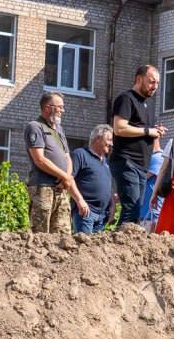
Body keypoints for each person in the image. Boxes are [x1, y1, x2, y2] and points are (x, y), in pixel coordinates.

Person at [110, 65, 166, 224]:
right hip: (126, 160)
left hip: (142, 165)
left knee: (136, 207)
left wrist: (156, 131)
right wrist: (148, 132)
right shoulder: (126, 99)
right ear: (139, 79)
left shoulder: (149, 105)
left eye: (157, 83)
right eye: (151, 82)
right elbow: (119, 128)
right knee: (131, 208)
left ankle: (124, 242)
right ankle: (120, 243)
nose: (154, 86)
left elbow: (143, 129)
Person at [25, 92, 87, 234]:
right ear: (48, 107)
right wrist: (64, 177)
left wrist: (67, 178)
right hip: (42, 188)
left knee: (63, 233)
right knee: (41, 233)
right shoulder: (35, 126)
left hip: (61, 188)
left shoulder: (59, 129)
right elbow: (39, 159)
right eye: (59, 107)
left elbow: (67, 157)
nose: (62, 110)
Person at [70, 124, 115, 234]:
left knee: (95, 250)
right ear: (98, 138)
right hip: (86, 213)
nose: (111, 144)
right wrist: (80, 201)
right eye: (109, 139)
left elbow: (109, 186)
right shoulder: (80, 154)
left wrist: (112, 206)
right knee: (83, 247)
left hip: (102, 216)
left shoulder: (105, 161)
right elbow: (69, 179)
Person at [139, 148, 166, 232]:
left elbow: (140, 179)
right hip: (144, 214)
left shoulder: (158, 157)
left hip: (151, 216)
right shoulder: (150, 157)